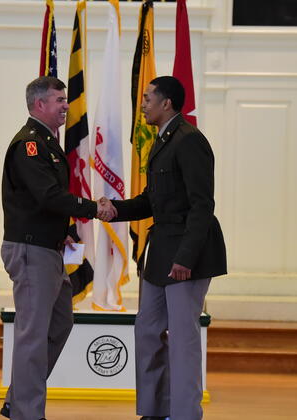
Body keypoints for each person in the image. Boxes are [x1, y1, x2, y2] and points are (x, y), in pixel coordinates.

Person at [108, 76, 227, 420]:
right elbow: (152, 200)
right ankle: (155, 410)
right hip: (160, 252)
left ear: (167, 104)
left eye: (147, 98)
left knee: (183, 339)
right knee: (147, 330)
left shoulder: (190, 141)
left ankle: (186, 414)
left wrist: (185, 258)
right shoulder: (162, 140)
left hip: (186, 256)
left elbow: (202, 205)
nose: (142, 104)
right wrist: (115, 209)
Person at [0, 76, 115, 420]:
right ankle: (26, 412)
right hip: (31, 250)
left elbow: (42, 201)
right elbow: (48, 196)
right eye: (59, 100)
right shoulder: (29, 145)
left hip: (48, 249)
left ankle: (18, 398)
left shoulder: (47, 143)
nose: (66, 105)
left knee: (60, 322)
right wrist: (94, 207)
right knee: (32, 335)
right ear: (39, 105)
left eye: (66, 99)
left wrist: (63, 230)